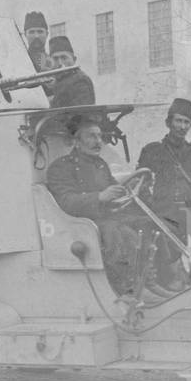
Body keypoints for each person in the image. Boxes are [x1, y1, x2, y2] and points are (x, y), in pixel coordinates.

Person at [46, 117, 146, 296]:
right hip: (80, 223)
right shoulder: (61, 167)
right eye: (91, 136)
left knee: (146, 224)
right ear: (76, 141)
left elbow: (114, 190)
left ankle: (149, 282)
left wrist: (128, 188)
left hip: (105, 218)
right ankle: (125, 291)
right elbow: (66, 201)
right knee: (118, 233)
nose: (98, 141)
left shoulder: (100, 164)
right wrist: (99, 197)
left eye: (99, 136)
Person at [136, 98, 191, 243]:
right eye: (178, 121)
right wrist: (152, 208)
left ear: (190, 125)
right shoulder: (153, 150)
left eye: (186, 122)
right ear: (168, 123)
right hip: (165, 215)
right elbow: (140, 184)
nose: (182, 126)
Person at [47, 36, 95, 108]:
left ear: (74, 60)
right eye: (55, 59)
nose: (60, 63)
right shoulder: (57, 80)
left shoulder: (81, 80)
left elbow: (81, 114)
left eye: (64, 58)